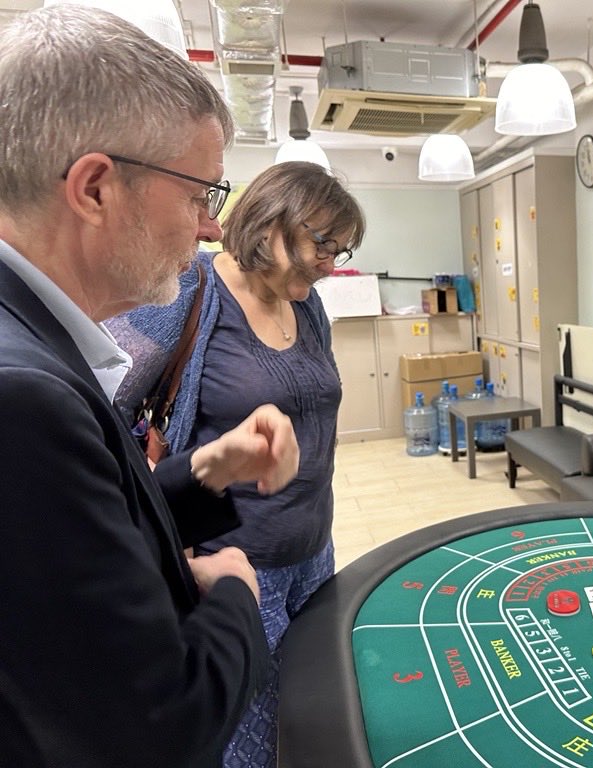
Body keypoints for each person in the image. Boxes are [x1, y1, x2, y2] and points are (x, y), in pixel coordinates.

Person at [0, 7, 302, 767]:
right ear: (96, 189)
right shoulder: (22, 397)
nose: (209, 227)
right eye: (200, 194)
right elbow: (161, 725)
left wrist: (204, 472)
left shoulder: (32, 345)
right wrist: (236, 590)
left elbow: (78, 539)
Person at [109, 161, 366, 768]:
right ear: (268, 221)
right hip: (235, 561)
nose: (332, 264)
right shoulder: (184, 293)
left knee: (309, 709)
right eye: (321, 243)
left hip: (314, 550)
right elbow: (102, 423)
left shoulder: (308, 310)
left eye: (342, 248)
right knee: (247, 735)